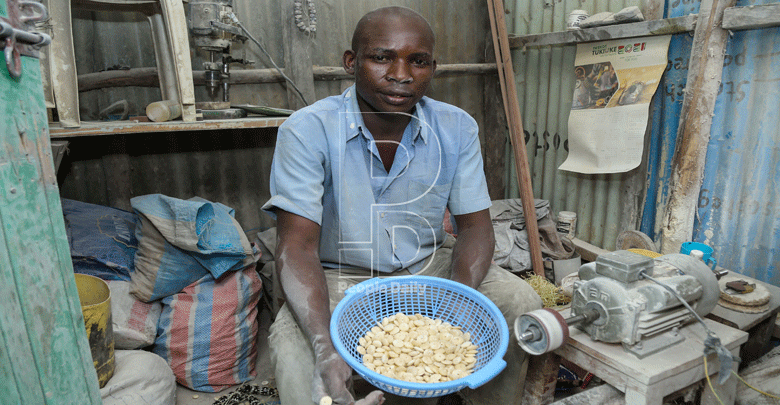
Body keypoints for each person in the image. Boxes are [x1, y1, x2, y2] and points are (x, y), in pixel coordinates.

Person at [262, 6, 541, 405]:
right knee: (298, 355)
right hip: (340, 275)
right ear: (351, 62)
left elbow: (476, 228)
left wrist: (457, 305)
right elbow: (297, 247)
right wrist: (326, 346)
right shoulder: (307, 131)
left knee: (519, 302)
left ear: (432, 68)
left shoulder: (456, 126)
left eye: (418, 61)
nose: (401, 74)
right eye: (381, 57)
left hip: (429, 266)